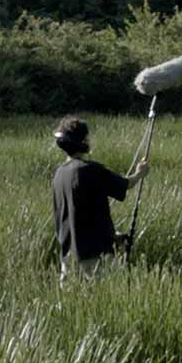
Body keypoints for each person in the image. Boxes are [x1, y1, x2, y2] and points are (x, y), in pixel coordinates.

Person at [50, 115, 147, 278]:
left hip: (68, 261)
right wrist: (140, 173)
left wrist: (112, 236)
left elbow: (76, 217)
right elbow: (126, 184)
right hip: (95, 259)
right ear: (83, 141)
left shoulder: (58, 175)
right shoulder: (90, 170)